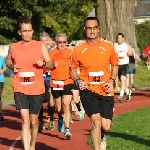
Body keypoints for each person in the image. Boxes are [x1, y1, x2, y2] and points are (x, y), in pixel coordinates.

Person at [5, 17, 54, 150]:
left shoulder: (40, 46)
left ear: (32, 31)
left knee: (34, 122)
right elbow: (8, 60)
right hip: (20, 88)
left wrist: (43, 63)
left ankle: (32, 145)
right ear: (19, 32)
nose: (27, 34)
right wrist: (11, 66)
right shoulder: (13, 47)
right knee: (25, 120)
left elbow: (51, 64)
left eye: (29, 31)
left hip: (36, 89)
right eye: (24, 31)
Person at [70, 16, 118, 150]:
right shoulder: (78, 50)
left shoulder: (108, 47)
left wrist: (112, 80)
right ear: (85, 29)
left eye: (95, 28)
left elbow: (115, 66)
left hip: (106, 90)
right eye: (89, 28)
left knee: (106, 127)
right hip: (88, 90)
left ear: (99, 29)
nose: (92, 31)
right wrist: (78, 80)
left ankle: (102, 136)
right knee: (96, 122)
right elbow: (72, 70)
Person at [49, 33, 73, 139]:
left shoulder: (71, 52)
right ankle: (60, 118)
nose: (62, 44)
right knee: (58, 108)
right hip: (56, 82)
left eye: (64, 42)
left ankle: (67, 129)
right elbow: (46, 67)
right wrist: (51, 65)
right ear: (56, 43)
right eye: (60, 42)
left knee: (66, 105)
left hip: (68, 81)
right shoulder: (51, 53)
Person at [39, 32, 55, 131]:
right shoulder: (37, 51)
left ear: (48, 41)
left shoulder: (52, 51)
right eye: (42, 40)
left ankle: (51, 120)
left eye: (45, 40)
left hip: (49, 78)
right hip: (40, 78)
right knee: (40, 100)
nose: (44, 42)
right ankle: (41, 121)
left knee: (51, 99)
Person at [114, 33, 133, 102]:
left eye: (120, 38)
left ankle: (120, 95)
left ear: (123, 39)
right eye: (118, 38)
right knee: (122, 80)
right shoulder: (114, 45)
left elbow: (131, 52)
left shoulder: (126, 46)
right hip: (117, 65)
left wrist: (129, 53)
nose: (119, 39)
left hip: (125, 64)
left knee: (122, 79)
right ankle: (127, 92)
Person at [0, 56, 7, 121]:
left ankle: (0, 112)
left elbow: (5, 67)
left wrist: (2, 70)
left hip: (0, 80)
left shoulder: (1, 58)